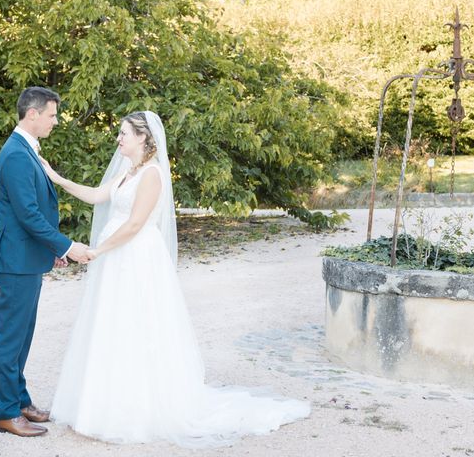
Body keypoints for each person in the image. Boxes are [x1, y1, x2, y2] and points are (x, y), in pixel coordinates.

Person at [40, 111, 310, 448]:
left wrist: (99, 250)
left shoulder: (151, 175)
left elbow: (136, 224)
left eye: (124, 134)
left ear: (143, 137)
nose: (119, 140)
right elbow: (96, 195)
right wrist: (55, 177)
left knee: (137, 324)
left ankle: (137, 408)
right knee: (112, 324)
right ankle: (102, 403)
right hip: (116, 258)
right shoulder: (128, 172)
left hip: (133, 256)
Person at [0, 87, 91, 437]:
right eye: (51, 114)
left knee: (22, 337)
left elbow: (30, 215)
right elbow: (28, 215)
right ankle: (5, 413)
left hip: (26, 258)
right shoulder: (16, 154)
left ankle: (20, 401)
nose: (55, 121)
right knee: (9, 338)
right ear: (32, 114)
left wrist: (50, 251)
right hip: (14, 260)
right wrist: (68, 246)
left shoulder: (25, 150)